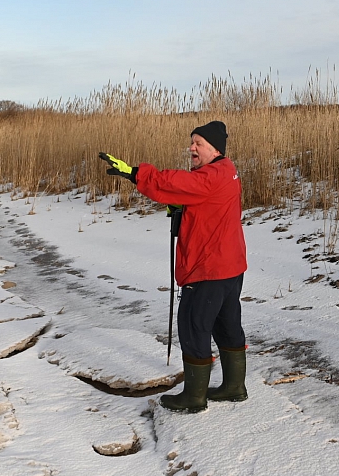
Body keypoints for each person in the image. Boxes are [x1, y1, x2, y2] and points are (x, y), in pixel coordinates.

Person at [100, 121, 247, 413]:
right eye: (192, 142)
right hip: (230, 266)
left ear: (215, 149)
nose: (192, 148)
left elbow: (174, 183)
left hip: (208, 268)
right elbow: (196, 197)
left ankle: (194, 397)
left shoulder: (210, 176)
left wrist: (135, 173)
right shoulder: (226, 170)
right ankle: (234, 387)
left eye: (199, 143)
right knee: (227, 324)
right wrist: (184, 206)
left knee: (194, 326)